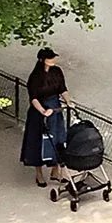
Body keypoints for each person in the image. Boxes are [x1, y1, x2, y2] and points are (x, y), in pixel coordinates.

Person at [21, 50, 67, 194]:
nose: (53, 60)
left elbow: (63, 89)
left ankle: (55, 171)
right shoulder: (35, 77)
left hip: (54, 109)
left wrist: (69, 102)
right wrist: (43, 111)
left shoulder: (57, 71)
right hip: (39, 111)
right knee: (38, 141)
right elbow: (33, 98)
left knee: (58, 139)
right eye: (50, 58)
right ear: (43, 60)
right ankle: (39, 174)